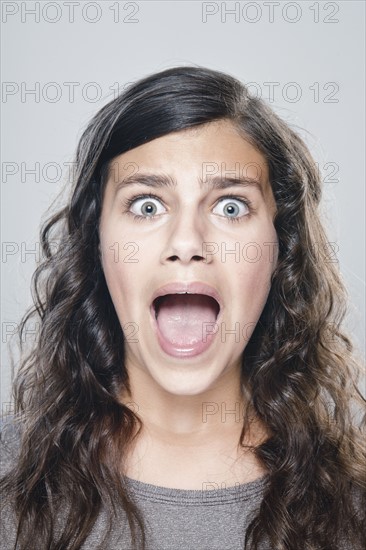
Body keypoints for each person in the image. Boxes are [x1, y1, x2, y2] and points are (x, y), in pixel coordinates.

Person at [0, 66, 365, 550]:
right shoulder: (11, 482)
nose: (187, 243)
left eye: (231, 206)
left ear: (282, 249)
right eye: (147, 205)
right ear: (97, 242)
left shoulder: (352, 506)